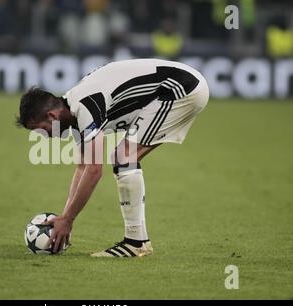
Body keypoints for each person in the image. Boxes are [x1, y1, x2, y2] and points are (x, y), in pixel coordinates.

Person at [16, 58, 209, 257]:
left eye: (42, 130)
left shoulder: (85, 106)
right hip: (173, 87)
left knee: (123, 157)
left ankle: (136, 242)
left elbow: (94, 171)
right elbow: (82, 167)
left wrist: (68, 219)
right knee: (122, 156)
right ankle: (136, 241)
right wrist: (65, 216)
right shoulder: (72, 111)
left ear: (52, 116)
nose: (46, 137)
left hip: (180, 88)